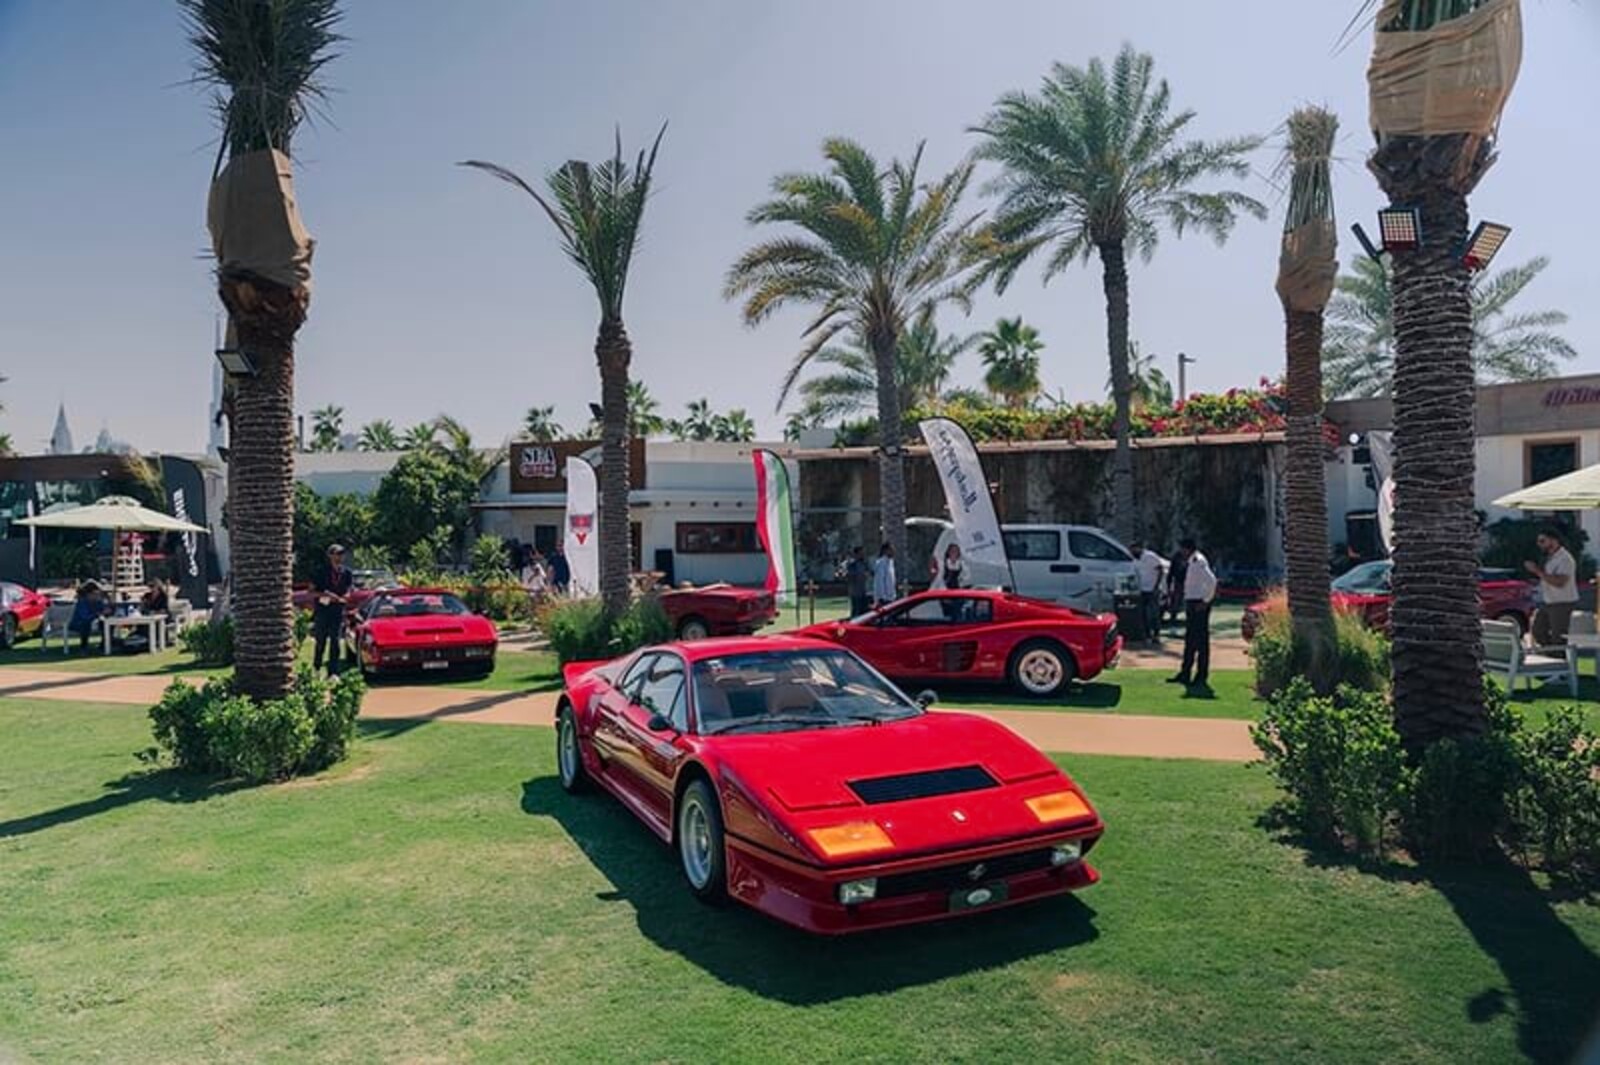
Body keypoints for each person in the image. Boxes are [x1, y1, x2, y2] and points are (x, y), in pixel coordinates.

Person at [1169, 538, 1217, 690]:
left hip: (1198, 604)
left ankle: (1201, 675)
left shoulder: (1198, 561)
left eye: (1182, 549)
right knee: (1190, 640)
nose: (1181, 552)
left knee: (1201, 641)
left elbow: (1212, 581)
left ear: (1187, 549)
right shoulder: (1192, 561)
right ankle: (1185, 672)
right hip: (1191, 602)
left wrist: (1206, 601)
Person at [1527, 527, 1579, 647]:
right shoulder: (1550, 558)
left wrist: (1537, 571)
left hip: (1562, 603)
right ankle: (1551, 652)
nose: (1539, 544)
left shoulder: (1565, 559)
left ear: (1554, 540)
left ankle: (1558, 655)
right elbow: (1548, 577)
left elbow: (1560, 582)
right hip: (1548, 601)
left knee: (1559, 637)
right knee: (1537, 631)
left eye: (1542, 541)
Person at [311, 543, 354, 674]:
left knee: (335, 641)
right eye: (337, 554)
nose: (340, 557)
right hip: (323, 610)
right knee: (321, 640)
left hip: (338, 610)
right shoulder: (320, 571)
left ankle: (333, 671)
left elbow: (349, 589)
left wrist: (345, 596)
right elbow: (311, 591)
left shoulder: (346, 572)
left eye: (342, 554)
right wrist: (327, 595)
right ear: (330, 555)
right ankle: (317, 667)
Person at [1129, 540, 1168, 643]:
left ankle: (1156, 634)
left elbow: (1160, 570)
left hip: (1152, 589)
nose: (1133, 552)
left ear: (1140, 548)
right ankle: (1147, 635)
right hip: (1142, 589)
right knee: (1143, 614)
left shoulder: (1150, 556)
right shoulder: (1135, 560)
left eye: (1134, 549)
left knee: (1154, 613)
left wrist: (1156, 586)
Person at [68, 580, 110, 651]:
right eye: (95, 593)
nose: (97, 595)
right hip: (78, 624)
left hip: (92, 622)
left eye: (98, 593)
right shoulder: (82, 602)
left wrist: (108, 609)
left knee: (106, 623)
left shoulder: (97, 601)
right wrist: (99, 613)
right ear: (88, 594)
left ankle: (105, 644)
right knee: (85, 624)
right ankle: (83, 647)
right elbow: (85, 617)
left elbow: (103, 609)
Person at [844, 546, 871, 617]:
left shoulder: (865, 564)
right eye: (860, 553)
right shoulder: (852, 565)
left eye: (863, 553)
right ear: (856, 554)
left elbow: (869, 574)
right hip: (855, 592)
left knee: (864, 611)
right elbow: (849, 577)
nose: (862, 555)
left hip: (864, 591)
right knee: (856, 611)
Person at [871, 542, 897, 609]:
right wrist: (881, 598)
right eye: (891, 549)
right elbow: (879, 582)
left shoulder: (891, 562)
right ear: (885, 550)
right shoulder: (881, 563)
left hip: (891, 597)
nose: (893, 551)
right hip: (884, 599)